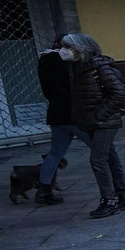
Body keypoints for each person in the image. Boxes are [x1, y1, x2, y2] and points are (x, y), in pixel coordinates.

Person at [63, 33, 125, 219]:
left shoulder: (99, 67)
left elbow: (119, 93)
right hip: (93, 121)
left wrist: (99, 116)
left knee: (98, 159)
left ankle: (109, 200)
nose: (66, 51)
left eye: (70, 47)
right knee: (109, 156)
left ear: (82, 49)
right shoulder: (77, 67)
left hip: (104, 121)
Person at [34, 42, 85, 205]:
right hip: (74, 114)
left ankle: (44, 189)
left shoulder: (45, 62)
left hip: (56, 114)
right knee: (103, 149)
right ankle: (120, 186)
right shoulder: (68, 64)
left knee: (55, 153)